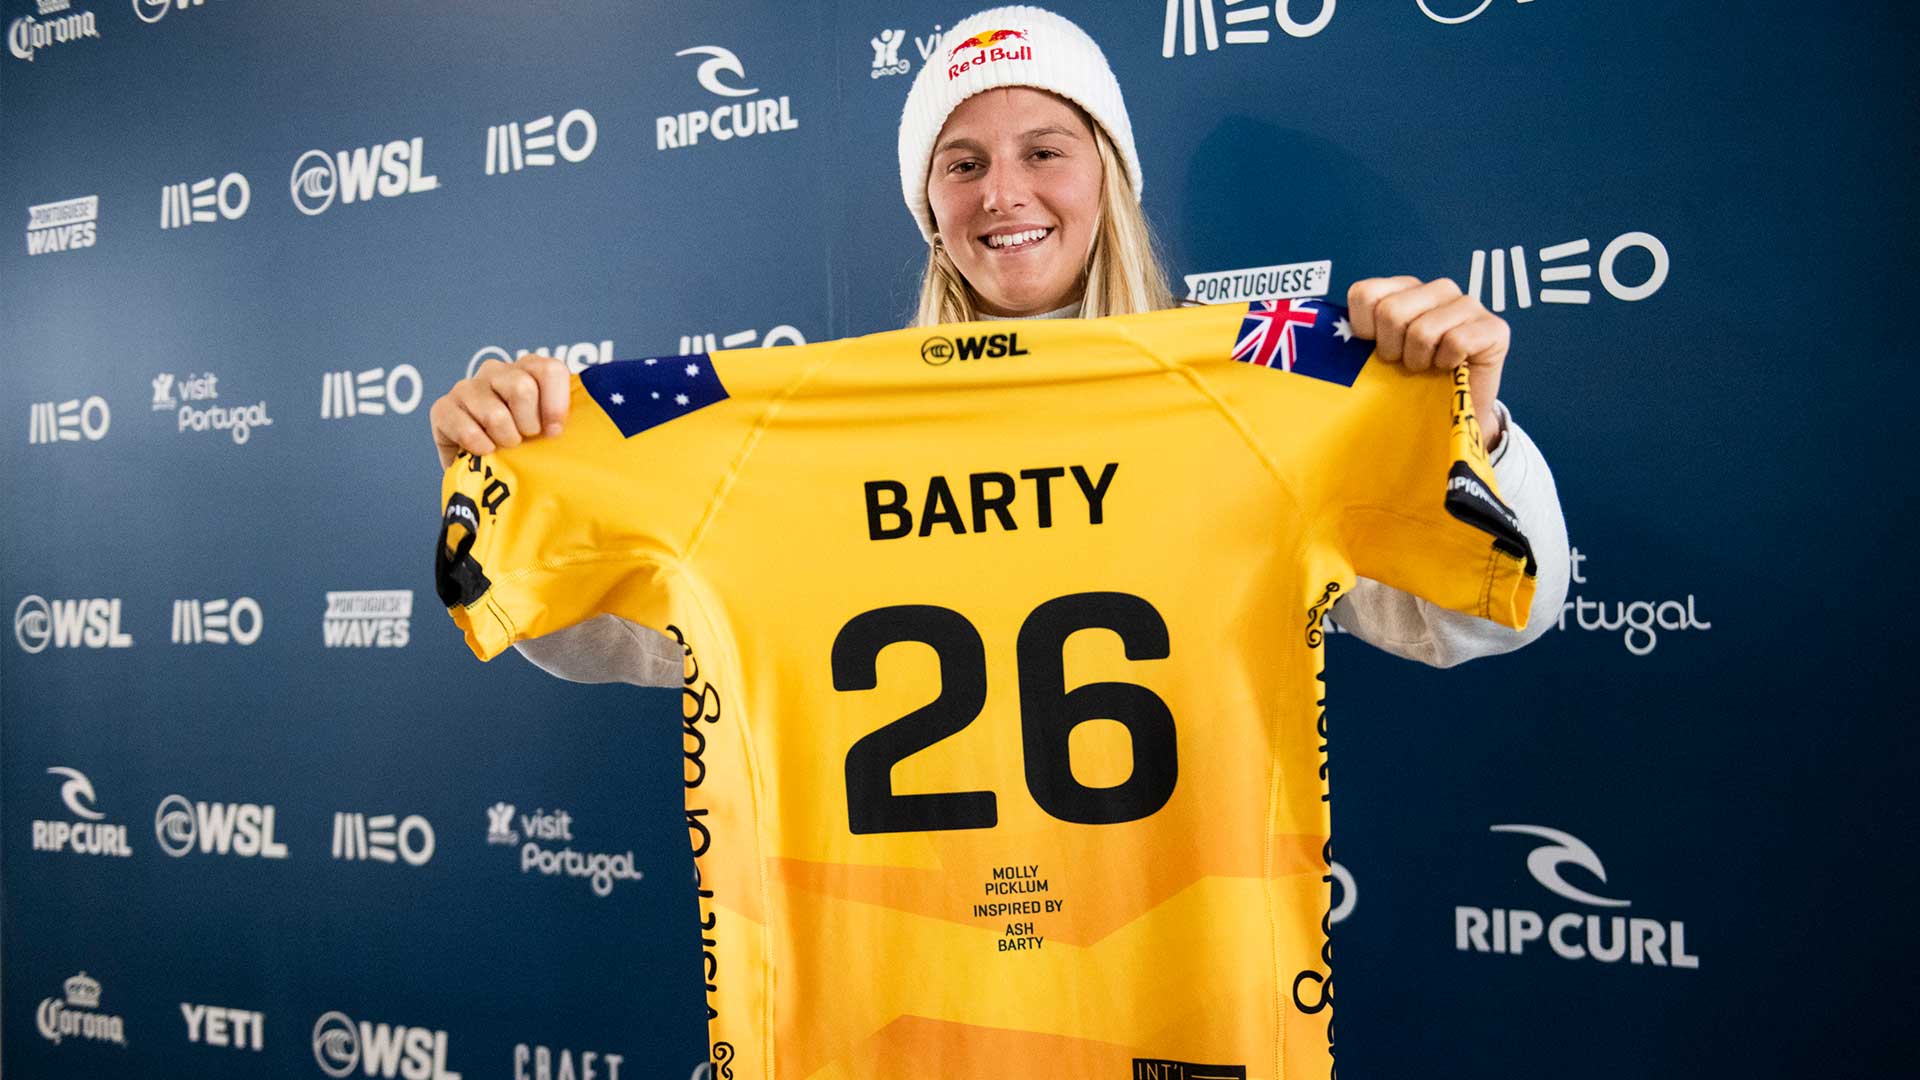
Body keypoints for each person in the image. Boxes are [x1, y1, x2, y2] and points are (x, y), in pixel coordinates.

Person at [428, 3, 1568, 667]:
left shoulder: (1259, 384)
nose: (1003, 193)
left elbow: (1475, 615)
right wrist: (517, 478)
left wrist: (1473, 427)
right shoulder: (818, 433)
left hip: (1176, 952)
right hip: (908, 968)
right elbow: (632, 638)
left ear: (1108, 179)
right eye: (962, 165)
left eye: (1045, 149)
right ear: (932, 213)